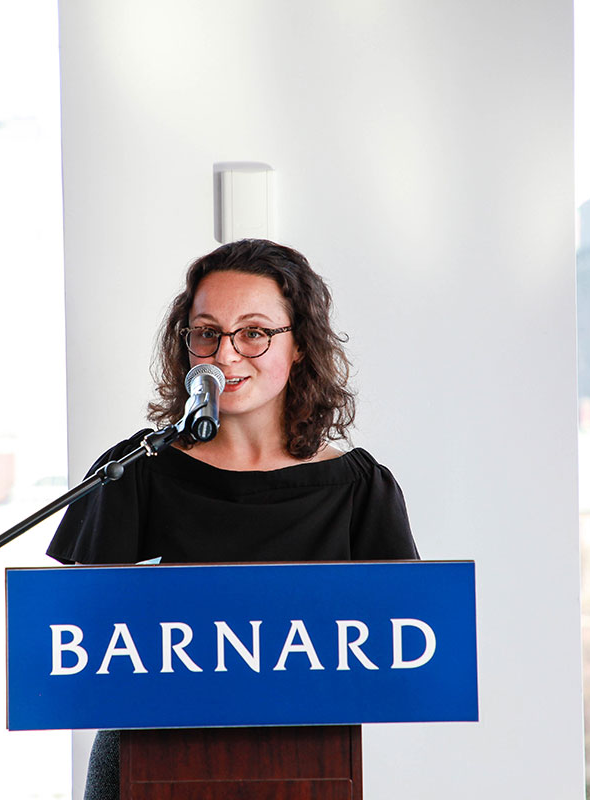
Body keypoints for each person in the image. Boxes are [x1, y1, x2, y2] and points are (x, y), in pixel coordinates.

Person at [46, 238, 418, 800]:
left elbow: (400, 649)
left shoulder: (359, 488)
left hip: (305, 767)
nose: (225, 355)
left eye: (254, 332)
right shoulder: (135, 473)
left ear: (299, 346)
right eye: (207, 333)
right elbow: (81, 643)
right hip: (146, 763)